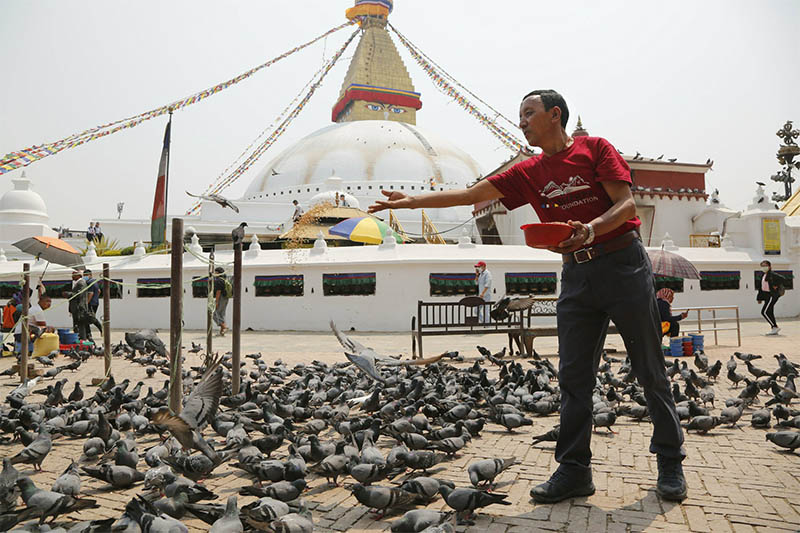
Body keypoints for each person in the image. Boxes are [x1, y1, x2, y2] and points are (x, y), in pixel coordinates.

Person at [369, 89, 687, 503]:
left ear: (555, 115)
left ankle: (669, 461)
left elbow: (626, 206)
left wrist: (589, 229)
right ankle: (574, 470)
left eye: (529, 113)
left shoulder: (595, 149)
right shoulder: (527, 171)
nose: (521, 121)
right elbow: (470, 195)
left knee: (649, 368)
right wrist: (413, 202)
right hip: (577, 275)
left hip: (623, 266)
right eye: (520, 114)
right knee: (573, 378)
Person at [757, 260, 784, 335]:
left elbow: (782, 278)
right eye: (762, 266)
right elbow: (761, 288)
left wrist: (776, 285)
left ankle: (774, 327)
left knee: (764, 312)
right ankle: (774, 328)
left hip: (772, 295)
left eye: (765, 265)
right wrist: (759, 298)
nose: (764, 267)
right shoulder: (763, 275)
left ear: (769, 266)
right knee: (769, 312)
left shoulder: (772, 274)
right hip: (766, 296)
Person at [66, 269, 90, 341]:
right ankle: (78, 339)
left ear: (79, 275)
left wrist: (68, 294)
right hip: (76, 308)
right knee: (77, 325)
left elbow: (78, 295)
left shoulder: (81, 283)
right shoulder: (77, 283)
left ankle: (81, 339)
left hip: (79, 308)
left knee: (80, 325)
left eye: (73, 275)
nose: (72, 276)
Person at [82, 269, 103, 341]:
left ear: (90, 275)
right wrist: (96, 298)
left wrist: (86, 303)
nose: (85, 277)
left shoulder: (89, 282)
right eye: (84, 275)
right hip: (95, 302)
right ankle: (89, 334)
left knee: (89, 318)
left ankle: (91, 333)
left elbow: (91, 293)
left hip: (90, 303)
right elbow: (99, 291)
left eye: (86, 275)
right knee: (89, 318)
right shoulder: (95, 281)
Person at [213, 266, 229, 336]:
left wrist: (216, 301)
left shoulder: (218, 280)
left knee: (214, 313)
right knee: (221, 314)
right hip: (226, 298)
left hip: (221, 298)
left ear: (218, 272)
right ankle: (222, 332)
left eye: (215, 272)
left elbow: (218, 292)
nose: (214, 273)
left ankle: (224, 327)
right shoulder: (225, 279)